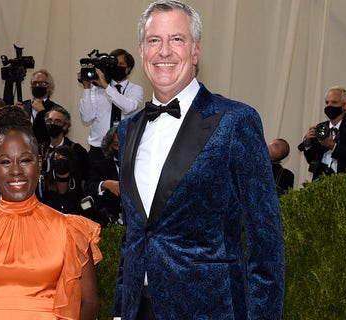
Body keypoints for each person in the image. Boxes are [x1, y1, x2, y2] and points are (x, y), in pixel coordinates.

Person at [114, 1, 285, 319]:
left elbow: (266, 239)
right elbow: (136, 233)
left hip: (210, 308)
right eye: (155, 41)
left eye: (176, 39)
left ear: (195, 51)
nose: (164, 51)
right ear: (142, 51)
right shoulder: (128, 130)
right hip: (138, 309)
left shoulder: (235, 121)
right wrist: (120, 309)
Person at [0, 105, 102, 319]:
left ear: (39, 164)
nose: (15, 171)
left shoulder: (71, 230)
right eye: (5, 162)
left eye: (25, 160)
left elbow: (87, 305)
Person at [79, 49, 143, 165]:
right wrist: (87, 88)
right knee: (97, 183)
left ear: (128, 68)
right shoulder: (96, 90)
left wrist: (106, 87)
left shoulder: (135, 90)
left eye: (121, 64)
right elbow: (86, 117)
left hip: (125, 148)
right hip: (98, 149)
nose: (117, 67)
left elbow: (128, 107)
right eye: (114, 65)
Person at [297, 86, 346, 180]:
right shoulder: (321, 127)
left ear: (345, 105)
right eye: (327, 102)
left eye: (334, 102)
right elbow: (311, 159)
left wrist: (333, 146)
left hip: (345, 183)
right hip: (320, 182)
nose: (329, 105)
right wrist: (308, 144)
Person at [41, 105, 89, 180]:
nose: (52, 123)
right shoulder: (41, 148)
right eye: (49, 121)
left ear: (65, 126)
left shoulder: (76, 150)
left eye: (57, 121)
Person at [86, 126, 121, 225]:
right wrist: (105, 184)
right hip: (109, 222)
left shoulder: (140, 166)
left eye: (125, 144)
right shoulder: (100, 165)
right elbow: (88, 188)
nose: (121, 149)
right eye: (117, 145)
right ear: (110, 145)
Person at [20, 69, 65, 144]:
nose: (37, 86)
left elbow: (54, 133)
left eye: (42, 83)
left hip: (45, 150)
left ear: (48, 87)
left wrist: (42, 112)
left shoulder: (56, 109)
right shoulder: (23, 106)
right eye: (35, 83)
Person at [40, 145, 85, 215]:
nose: (60, 160)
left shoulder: (79, 184)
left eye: (64, 158)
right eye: (56, 158)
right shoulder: (44, 183)